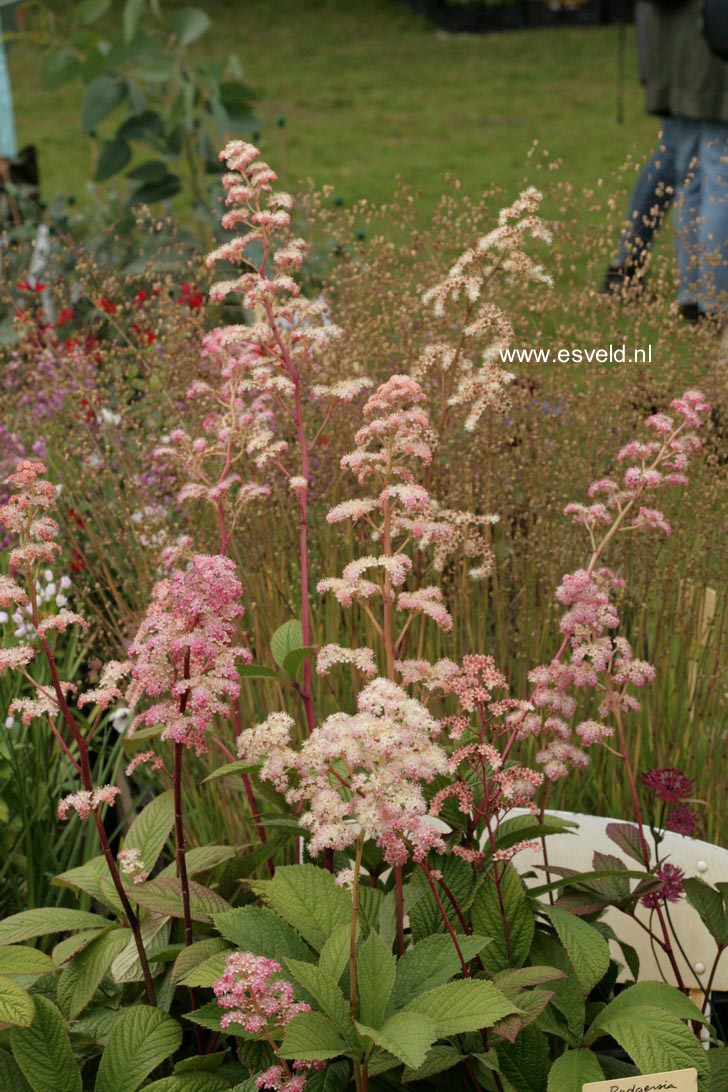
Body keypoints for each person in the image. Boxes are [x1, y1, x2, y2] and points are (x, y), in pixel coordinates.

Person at [645, 0, 728, 316]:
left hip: (678, 58)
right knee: (719, 180)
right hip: (715, 59)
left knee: (691, 178)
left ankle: (693, 295)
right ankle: (716, 303)